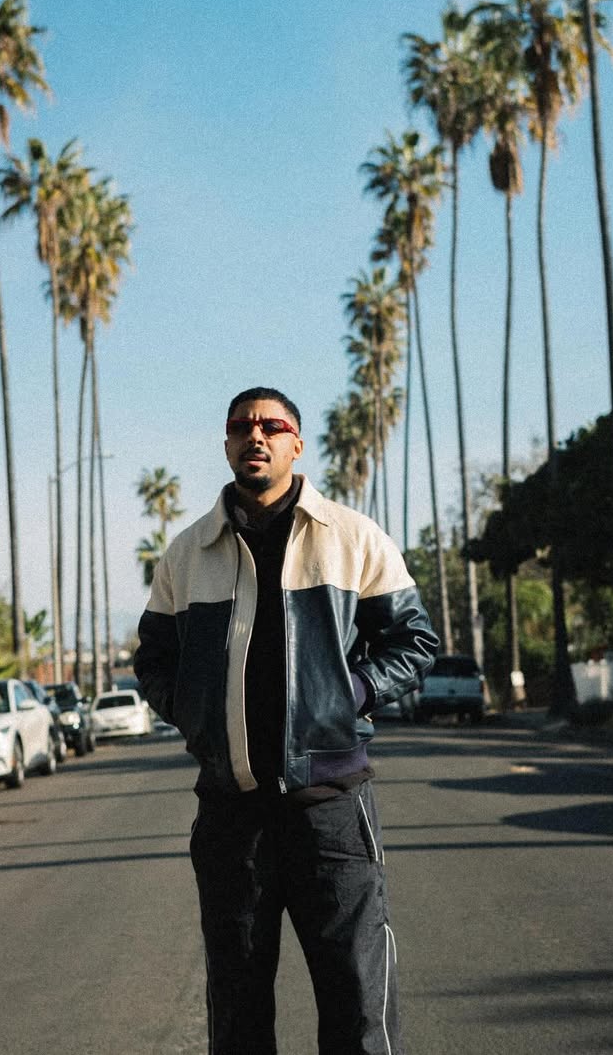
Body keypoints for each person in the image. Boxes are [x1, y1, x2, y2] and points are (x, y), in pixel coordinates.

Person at [135, 386, 438, 1055]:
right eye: (241, 426)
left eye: (272, 426)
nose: (256, 435)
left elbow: (414, 641)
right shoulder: (189, 552)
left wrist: (350, 692)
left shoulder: (351, 537)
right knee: (238, 1012)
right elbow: (153, 659)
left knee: (357, 1003)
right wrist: (193, 713)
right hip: (231, 814)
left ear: (296, 445)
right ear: (226, 444)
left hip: (330, 809)